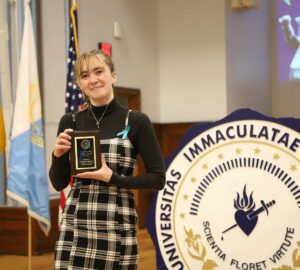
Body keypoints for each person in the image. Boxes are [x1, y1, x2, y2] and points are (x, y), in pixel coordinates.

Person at [49, 49, 166, 270]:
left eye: (99, 71)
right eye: (85, 75)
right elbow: (58, 183)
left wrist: (112, 177)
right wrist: (57, 156)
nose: (93, 79)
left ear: (113, 75)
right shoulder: (69, 121)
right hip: (76, 224)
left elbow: (157, 178)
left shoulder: (137, 121)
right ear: (80, 84)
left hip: (116, 222)